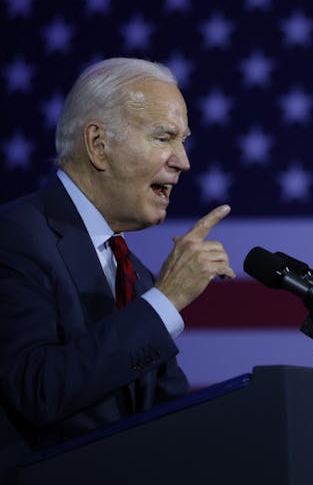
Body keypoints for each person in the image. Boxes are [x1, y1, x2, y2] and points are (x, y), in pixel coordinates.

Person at [0, 58, 235, 473]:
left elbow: (171, 415)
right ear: (98, 145)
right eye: (164, 137)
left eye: (183, 141)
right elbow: (38, 390)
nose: (183, 161)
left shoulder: (135, 273)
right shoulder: (15, 236)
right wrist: (167, 299)